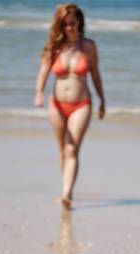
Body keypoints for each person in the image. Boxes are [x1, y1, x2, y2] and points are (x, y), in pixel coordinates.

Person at [35, 3, 105, 209]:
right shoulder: (54, 46)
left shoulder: (89, 46)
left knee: (72, 148)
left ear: (80, 23)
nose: (69, 28)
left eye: (72, 24)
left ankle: (66, 194)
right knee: (62, 151)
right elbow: (43, 72)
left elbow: (96, 75)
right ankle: (68, 190)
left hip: (81, 104)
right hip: (56, 104)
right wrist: (39, 92)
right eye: (64, 24)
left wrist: (102, 100)